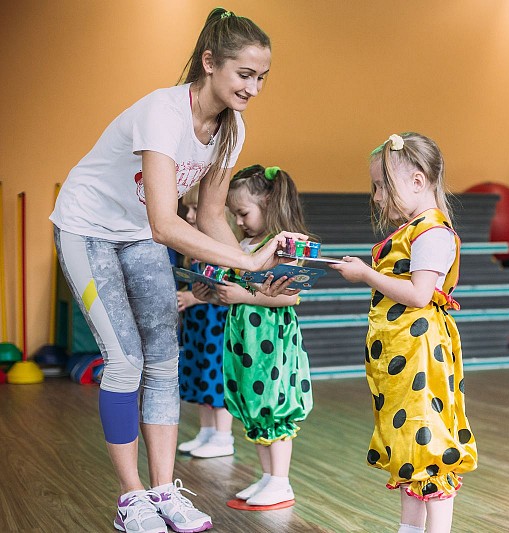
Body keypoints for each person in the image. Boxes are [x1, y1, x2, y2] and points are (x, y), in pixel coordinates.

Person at [49, 8, 305, 533]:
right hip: (87, 228)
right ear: (210, 63)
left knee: (165, 361)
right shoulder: (161, 113)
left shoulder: (232, 128)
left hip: (138, 233)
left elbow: (210, 215)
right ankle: (131, 498)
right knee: (126, 362)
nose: (254, 88)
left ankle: (164, 491)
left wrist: (257, 275)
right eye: (244, 74)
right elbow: (166, 223)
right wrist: (247, 259)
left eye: (262, 77)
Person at [331, 133, 478, 533]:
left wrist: (366, 274)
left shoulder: (431, 232)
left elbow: (418, 294)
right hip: (404, 355)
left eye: (382, 186)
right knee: (409, 442)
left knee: (429, 443)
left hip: (420, 354)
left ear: (417, 181)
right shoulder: (414, 230)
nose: (378, 197)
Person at [193, 164, 314, 508]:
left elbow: (290, 296)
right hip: (246, 342)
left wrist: (244, 295)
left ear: (268, 203)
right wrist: (211, 293)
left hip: (271, 341)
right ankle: (268, 477)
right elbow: (235, 290)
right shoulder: (242, 245)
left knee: (274, 405)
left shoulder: (285, 246)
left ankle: (281, 481)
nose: (238, 221)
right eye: (233, 214)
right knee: (255, 406)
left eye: (243, 213)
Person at [175, 186, 235, 459]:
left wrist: (192, 298)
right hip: (199, 328)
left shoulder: (223, 253)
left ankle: (223, 437)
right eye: (188, 209)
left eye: (196, 209)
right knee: (200, 374)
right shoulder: (195, 252)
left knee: (216, 376)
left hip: (216, 328)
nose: (189, 216)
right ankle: (207, 431)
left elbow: (225, 291)